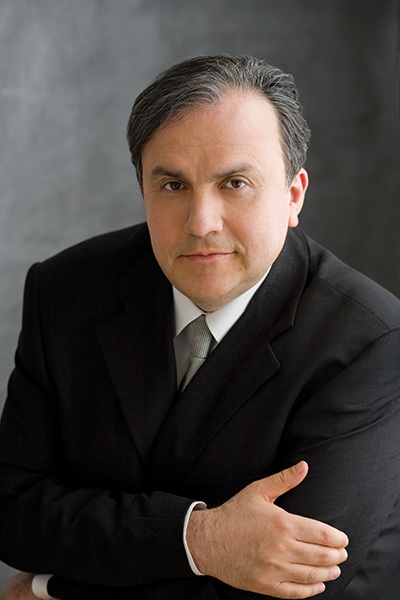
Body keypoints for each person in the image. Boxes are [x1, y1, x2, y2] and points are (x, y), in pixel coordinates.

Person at [0, 54, 399, 600]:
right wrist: (200, 539)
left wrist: (55, 590)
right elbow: (13, 512)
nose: (201, 222)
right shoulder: (66, 291)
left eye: (234, 182)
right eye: (172, 185)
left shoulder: (370, 341)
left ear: (293, 195)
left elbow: (297, 586)